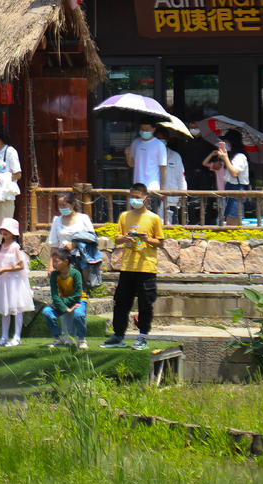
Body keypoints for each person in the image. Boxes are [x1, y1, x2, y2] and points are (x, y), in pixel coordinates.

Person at [103, 183, 164, 350]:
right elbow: (117, 238)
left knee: (145, 303)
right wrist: (125, 238)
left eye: (137, 197)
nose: (134, 200)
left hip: (146, 267)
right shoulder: (124, 216)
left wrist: (146, 239)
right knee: (121, 302)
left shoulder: (153, 218)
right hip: (127, 266)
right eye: (132, 197)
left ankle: (142, 336)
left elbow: (160, 242)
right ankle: (118, 335)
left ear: (145, 198)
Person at [0, 218, 33, 347]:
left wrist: (5, 269)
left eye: (8, 230)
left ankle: (17, 336)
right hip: (3, 282)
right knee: (5, 309)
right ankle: (4, 336)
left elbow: (21, 265)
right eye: (3, 230)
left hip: (14, 282)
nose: (4, 232)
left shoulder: (15, 247)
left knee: (16, 309)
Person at [44, 248, 87, 348]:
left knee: (79, 314)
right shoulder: (54, 275)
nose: (54, 264)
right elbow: (55, 295)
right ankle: (59, 338)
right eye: (53, 261)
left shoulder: (75, 273)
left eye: (56, 261)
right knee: (47, 312)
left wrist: (62, 303)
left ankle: (81, 339)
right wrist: (65, 308)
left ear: (66, 261)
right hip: (63, 302)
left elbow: (77, 295)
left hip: (78, 301)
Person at [48, 192, 95, 268]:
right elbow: (54, 246)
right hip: (63, 261)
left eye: (64, 205)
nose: (62, 208)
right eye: (60, 205)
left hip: (82, 260)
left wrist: (74, 245)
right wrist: (51, 266)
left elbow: (92, 238)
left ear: (73, 204)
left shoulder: (83, 218)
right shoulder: (57, 221)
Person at [215, 130, 250, 226]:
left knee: (233, 218)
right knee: (228, 218)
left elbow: (234, 173)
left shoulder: (240, 157)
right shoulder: (232, 156)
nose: (226, 144)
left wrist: (225, 158)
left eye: (227, 142)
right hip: (230, 187)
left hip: (237, 188)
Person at [156, 127, 187, 224]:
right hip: (154, 197)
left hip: (171, 198)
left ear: (167, 140)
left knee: (170, 225)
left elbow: (181, 177)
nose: (160, 142)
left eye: (162, 139)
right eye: (158, 139)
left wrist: (183, 193)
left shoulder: (175, 156)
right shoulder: (150, 155)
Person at [126, 122, 166, 195]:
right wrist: (127, 155)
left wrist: (162, 187)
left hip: (152, 187)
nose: (144, 131)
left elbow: (163, 167)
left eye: (147, 129)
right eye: (142, 129)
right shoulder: (136, 142)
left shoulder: (159, 145)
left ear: (154, 129)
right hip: (137, 187)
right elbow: (131, 164)